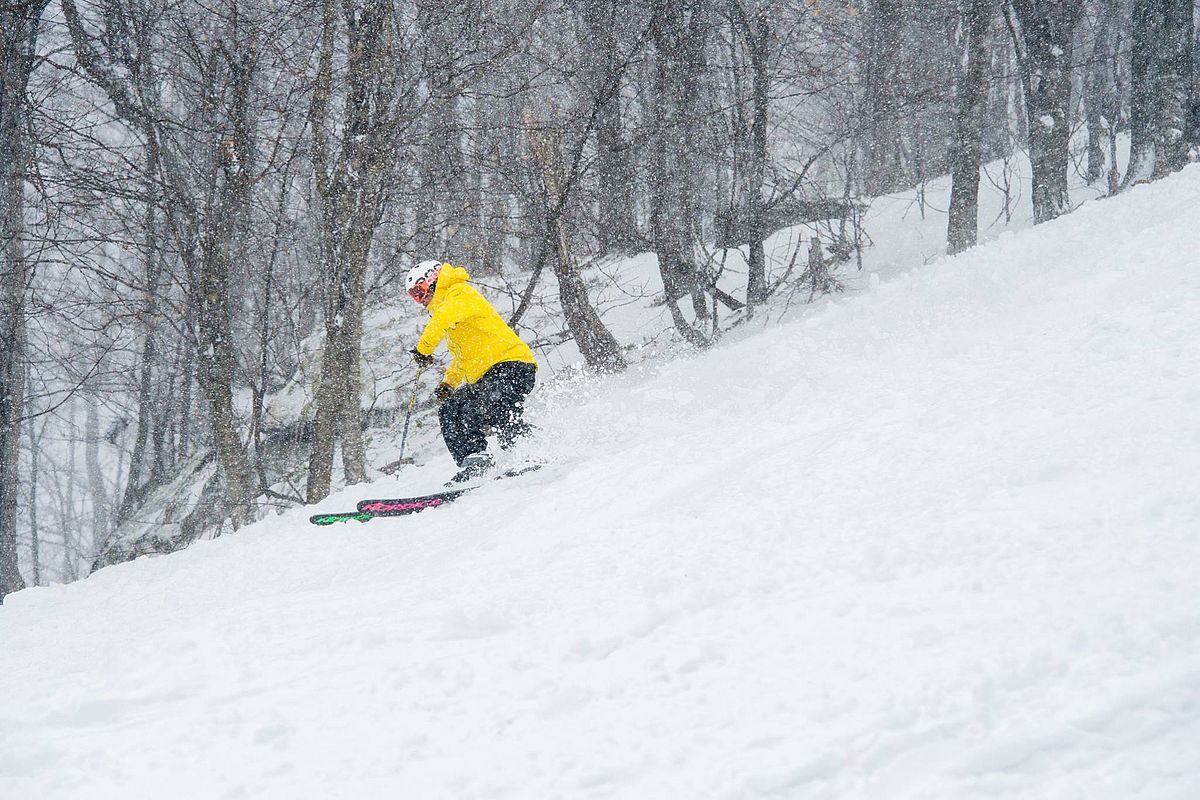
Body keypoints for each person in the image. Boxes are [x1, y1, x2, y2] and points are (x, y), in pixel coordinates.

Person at [406, 259, 538, 483]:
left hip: (512, 365)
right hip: (489, 374)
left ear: (432, 280)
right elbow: (463, 356)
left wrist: (423, 350)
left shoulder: (459, 294)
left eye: (419, 292)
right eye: (413, 296)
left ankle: (531, 449)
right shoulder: (449, 310)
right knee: (451, 410)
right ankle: (475, 460)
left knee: (494, 404)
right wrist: (448, 383)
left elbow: (441, 320)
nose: (419, 300)